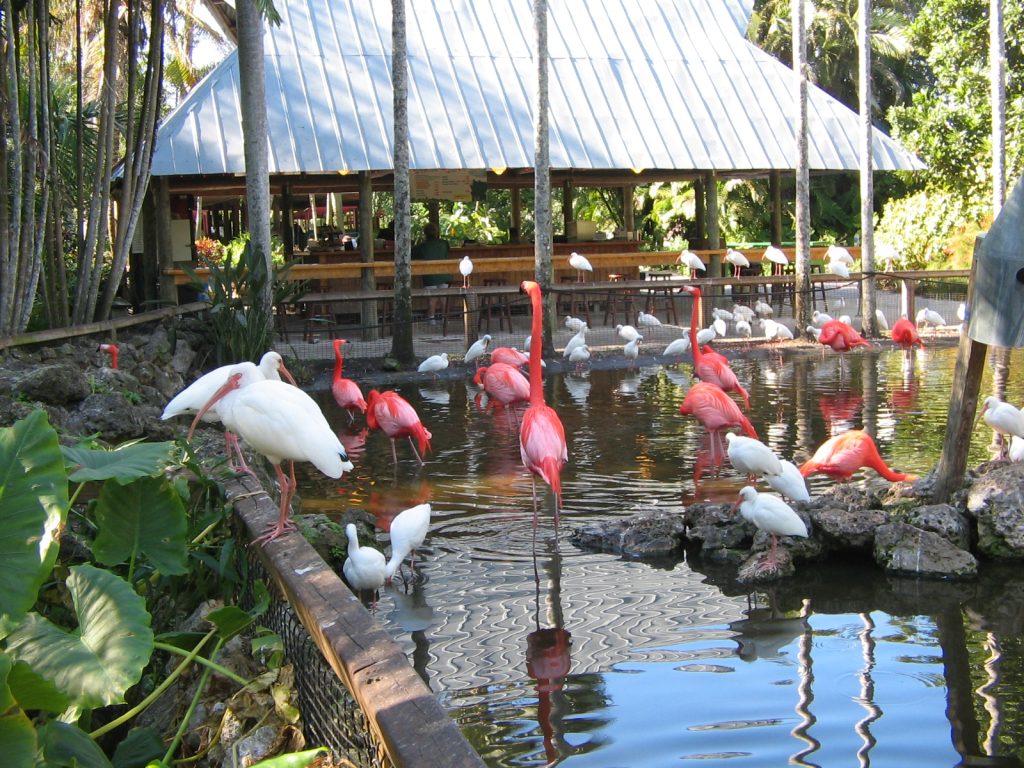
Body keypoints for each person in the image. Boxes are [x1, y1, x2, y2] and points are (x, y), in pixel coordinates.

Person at [412, 223, 452, 322]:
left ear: (425, 233)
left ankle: (431, 319)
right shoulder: (444, 243)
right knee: (443, 297)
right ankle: (445, 319)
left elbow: (412, 254)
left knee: (432, 298)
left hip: (430, 275)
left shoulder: (422, 246)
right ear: (437, 232)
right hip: (444, 274)